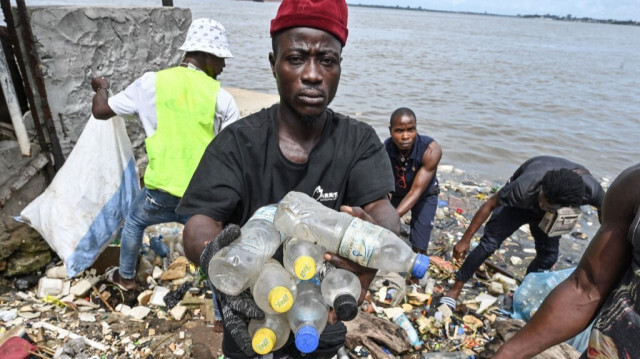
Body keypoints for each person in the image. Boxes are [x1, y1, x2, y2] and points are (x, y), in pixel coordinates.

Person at [176, 0, 400, 357]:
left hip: (320, 317)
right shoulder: (239, 142)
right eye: (296, 58)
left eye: (327, 60)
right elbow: (200, 221)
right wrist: (210, 255)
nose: (312, 74)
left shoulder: (358, 141)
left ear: (339, 67)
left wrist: (376, 242)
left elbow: (381, 208)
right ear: (273, 64)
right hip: (251, 316)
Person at [90, 18, 239, 295]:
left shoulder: (150, 83)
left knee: (134, 222)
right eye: (221, 59)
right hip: (200, 199)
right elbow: (233, 156)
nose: (223, 66)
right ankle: (221, 313)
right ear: (207, 56)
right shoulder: (222, 98)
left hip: (159, 194)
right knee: (212, 248)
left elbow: (100, 110)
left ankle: (126, 279)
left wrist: (101, 87)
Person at [494, 163, 640, 358]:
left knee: (548, 254)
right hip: (607, 350)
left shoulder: (594, 191)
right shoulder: (633, 185)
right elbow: (586, 286)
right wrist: (509, 352)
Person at [440, 155, 605, 310]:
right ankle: (456, 288)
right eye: (542, 200)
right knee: (488, 245)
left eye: (546, 204)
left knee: (548, 256)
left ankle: (523, 293)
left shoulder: (592, 191)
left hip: (552, 214)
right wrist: (465, 240)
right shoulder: (522, 188)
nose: (541, 205)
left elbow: (608, 218)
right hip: (519, 205)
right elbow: (490, 204)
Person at [384, 107, 442, 254]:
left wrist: (393, 218)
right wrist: (384, 213)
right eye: (399, 131)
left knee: (419, 246)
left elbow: (416, 192)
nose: (405, 136)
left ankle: (415, 277)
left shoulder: (431, 150)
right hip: (397, 190)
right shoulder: (385, 148)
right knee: (381, 225)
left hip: (423, 194)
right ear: (390, 130)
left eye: (411, 130)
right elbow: (385, 185)